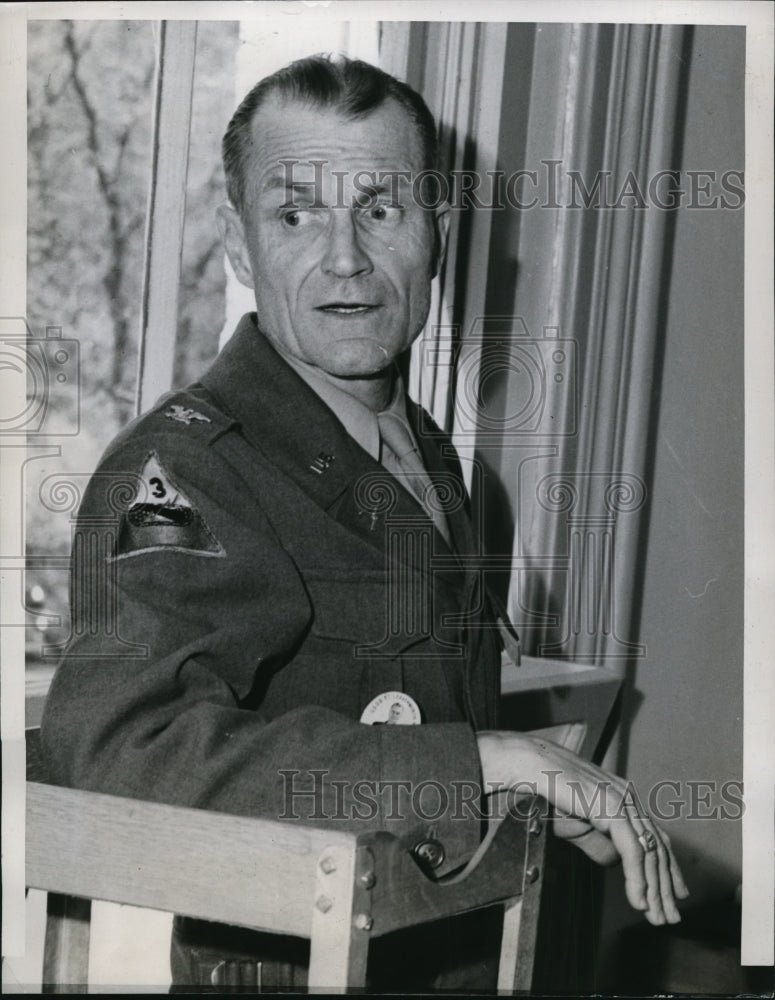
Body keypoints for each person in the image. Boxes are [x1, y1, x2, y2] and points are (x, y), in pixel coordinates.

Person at [40, 54, 688, 990]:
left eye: (380, 208)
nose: (343, 257)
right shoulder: (188, 469)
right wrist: (473, 765)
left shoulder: (424, 455)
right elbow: (112, 758)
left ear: (437, 235)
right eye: (294, 214)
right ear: (236, 243)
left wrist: (511, 795)